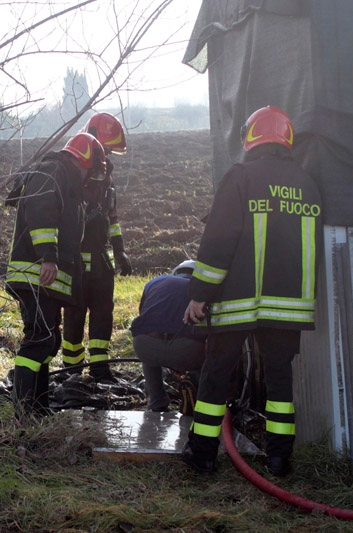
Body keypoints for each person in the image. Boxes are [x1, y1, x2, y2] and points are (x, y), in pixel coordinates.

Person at [181, 105, 323, 476]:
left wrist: (200, 292)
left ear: (251, 137)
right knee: (280, 380)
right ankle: (279, 459)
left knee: (216, 374)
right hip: (288, 307)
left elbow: (219, 240)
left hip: (238, 302)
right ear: (287, 139)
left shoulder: (241, 178)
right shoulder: (307, 184)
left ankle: (203, 455)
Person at [4, 132, 106, 419]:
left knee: (48, 341)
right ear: (84, 159)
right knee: (38, 339)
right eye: (91, 169)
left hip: (42, 278)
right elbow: (42, 214)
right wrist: (48, 256)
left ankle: (37, 407)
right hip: (36, 274)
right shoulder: (52, 173)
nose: (90, 176)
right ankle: (24, 412)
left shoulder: (64, 178)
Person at [61, 112, 133, 383]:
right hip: (77, 261)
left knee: (103, 313)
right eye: (106, 151)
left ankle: (100, 371)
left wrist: (120, 249)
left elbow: (111, 218)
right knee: (75, 315)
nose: (108, 158)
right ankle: (72, 372)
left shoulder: (105, 176)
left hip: (101, 260)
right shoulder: (73, 173)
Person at [130, 260, 206, 413]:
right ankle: (197, 397)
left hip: (145, 345)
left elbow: (144, 313)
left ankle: (156, 401)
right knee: (206, 358)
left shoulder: (155, 282)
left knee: (149, 357)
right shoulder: (201, 291)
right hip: (186, 350)